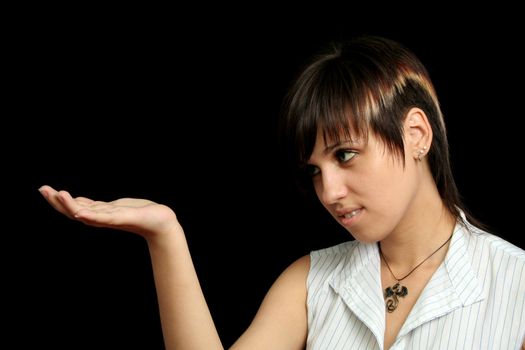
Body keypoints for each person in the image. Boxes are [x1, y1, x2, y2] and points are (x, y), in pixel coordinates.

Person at [39, 35, 525, 350]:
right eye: (314, 170)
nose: (329, 191)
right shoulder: (310, 281)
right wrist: (165, 234)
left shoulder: (515, 282)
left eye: (346, 154)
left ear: (417, 134)